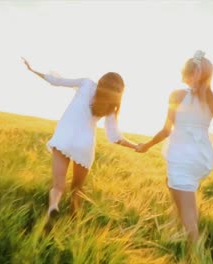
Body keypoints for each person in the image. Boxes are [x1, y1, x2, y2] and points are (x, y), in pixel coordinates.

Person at [136, 51, 213, 242]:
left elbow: (166, 130)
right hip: (200, 157)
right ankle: (182, 227)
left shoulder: (176, 95)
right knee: (174, 185)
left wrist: (147, 145)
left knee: (188, 211)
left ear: (187, 73)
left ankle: (194, 253)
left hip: (181, 155)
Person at [23, 57, 139, 220]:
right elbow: (114, 137)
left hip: (64, 137)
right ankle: (75, 217)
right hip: (84, 144)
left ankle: (53, 206)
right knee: (77, 187)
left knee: (58, 184)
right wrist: (135, 146)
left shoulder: (86, 84)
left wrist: (32, 70)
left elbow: (56, 81)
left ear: (101, 81)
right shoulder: (111, 107)